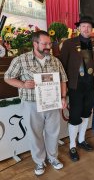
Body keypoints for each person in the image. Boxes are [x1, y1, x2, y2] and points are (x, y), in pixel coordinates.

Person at [4, 30, 68, 175]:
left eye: (49, 43)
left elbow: (63, 79)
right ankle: (39, 162)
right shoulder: (21, 59)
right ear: (35, 43)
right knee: (35, 134)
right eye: (44, 43)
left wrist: (63, 97)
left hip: (52, 103)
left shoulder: (55, 60)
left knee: (53, 133)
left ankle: (53, 158)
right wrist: (23, 84)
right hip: (31, 104)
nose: (48, 46)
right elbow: (8, 77)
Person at [60, 16, 94, 162]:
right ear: (78, 28)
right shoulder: (69, 44)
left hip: (90, 87)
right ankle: (72, 146)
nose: (86, 29)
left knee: (86, 113)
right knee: (75, 116)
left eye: (88, 26)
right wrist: (63, 88)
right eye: (83, 26)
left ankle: (81, 140)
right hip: (75, 87)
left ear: (91, 29)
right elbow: (62, 66)